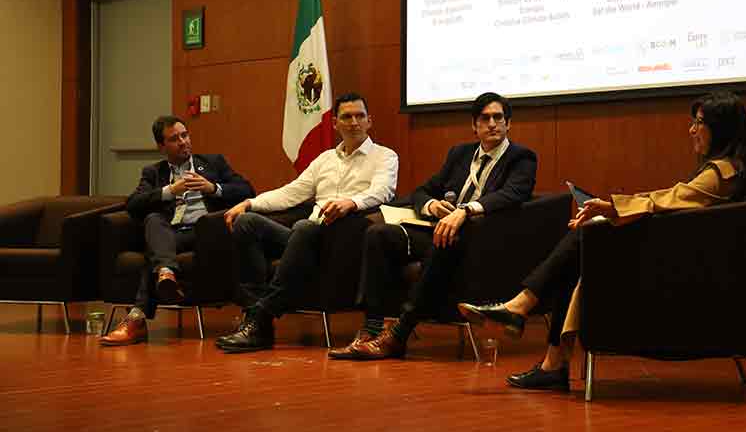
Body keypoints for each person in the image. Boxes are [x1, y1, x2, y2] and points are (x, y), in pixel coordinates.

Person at [458, 91, 746, 391]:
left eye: (699, 123)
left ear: (721, 129)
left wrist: (611, 210)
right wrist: (611, 210)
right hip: (699, 275)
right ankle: (544, 351)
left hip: (681, 282)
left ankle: (525, 315)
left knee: (586, 237)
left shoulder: (721, 173)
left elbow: (668, 200)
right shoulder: (743, 172)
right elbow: (671, 202)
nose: (691, 130)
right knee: (584, 242)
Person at [330, 92, 537, 360]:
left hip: (481, 236)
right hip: (440, 228)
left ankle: (398, 335)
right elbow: (423, 191)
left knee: (445, 240)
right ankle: (371, 328)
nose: (492, 124)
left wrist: (464, 212)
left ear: (508, 124)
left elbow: (513, 194)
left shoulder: (521, 158)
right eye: (485, 119)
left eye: (498, 118)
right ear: (474, 126)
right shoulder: (460, 154)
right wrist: (432, 206)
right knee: (379, 234)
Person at [215, 92, 398, 353]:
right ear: (335, 123)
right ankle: (255, 321)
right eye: (347, 117)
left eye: (360, 116)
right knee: (247, 222)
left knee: (304, 226)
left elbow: (383, 191)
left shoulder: (385, 156)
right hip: (308, 237)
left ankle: (260, 317)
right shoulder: (325, 159)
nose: (354, 122)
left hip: (345, 237)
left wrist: (352, 202)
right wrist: (249, 203)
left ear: (370, 121)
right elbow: (292, 192)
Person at [100, 115, 255, 346]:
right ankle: (165, 273)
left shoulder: (213, 163)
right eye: (174, 139)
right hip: (172, 234)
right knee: (154, 221)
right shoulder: (153, 173)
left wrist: (214, 188)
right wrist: (169, 190)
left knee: (154, 255)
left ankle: (138, 316)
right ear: (161, 146)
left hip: (206, 232)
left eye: (185, 135)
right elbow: (133, 204)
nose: (183, 142)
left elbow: (247, 190)